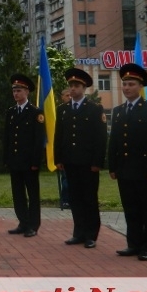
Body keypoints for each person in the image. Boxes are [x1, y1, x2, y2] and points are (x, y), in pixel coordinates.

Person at [107, 63, 147, 261]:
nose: (126, 88)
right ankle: (133, 244)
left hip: (145, 170)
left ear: (140, 86)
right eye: (124, 84)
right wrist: (113, 166)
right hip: (125, 170)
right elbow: (114, 141)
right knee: (130, 208)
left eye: (131, 84)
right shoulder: (118, 111)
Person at [54, 68, 106, 249]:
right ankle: (78, 232)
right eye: (71, 86)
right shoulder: (63, 110)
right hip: (70, 161)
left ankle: (91, 235)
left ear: (84, 88)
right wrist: (58, 158)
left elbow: (100, 138)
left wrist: (97, 162)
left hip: (88, 163)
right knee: (75, 198)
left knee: (89, 198)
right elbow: (59, 136)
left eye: (76, 86)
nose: (73, 89)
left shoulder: (94, 109)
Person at [4, 73, 45, 237]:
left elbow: (38, 139)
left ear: (27, 92)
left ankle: (33, 225)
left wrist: (36, 161)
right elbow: (7, 137)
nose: (16, 94)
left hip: (29, 162)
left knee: (33, 194)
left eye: (19, 90)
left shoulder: (36, 113)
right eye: (14, 90)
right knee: (18, 193)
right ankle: (23, 221)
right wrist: (6, 158)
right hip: (15, 161)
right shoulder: (11, 112)